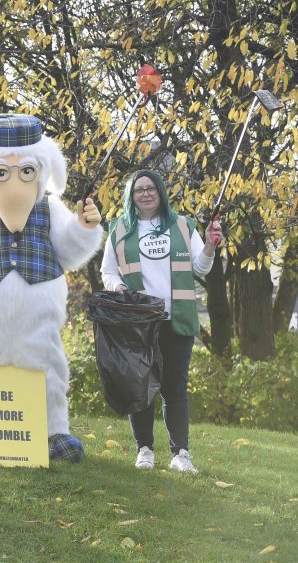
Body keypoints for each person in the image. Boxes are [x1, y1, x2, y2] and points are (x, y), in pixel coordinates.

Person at [101, 169, 222, 473]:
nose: (145, 193)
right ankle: (144, 449)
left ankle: (180, 453)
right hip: (139, 322)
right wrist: (118, 288)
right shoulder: (120, 229)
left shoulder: (181, 225)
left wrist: (209, 245)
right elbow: (108, 272)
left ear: (160, 192)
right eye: (138, 189)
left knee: (174, 388)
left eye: (150, 188)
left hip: (175, 319)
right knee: (140, 387)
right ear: (131, 196)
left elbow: (201, 268)